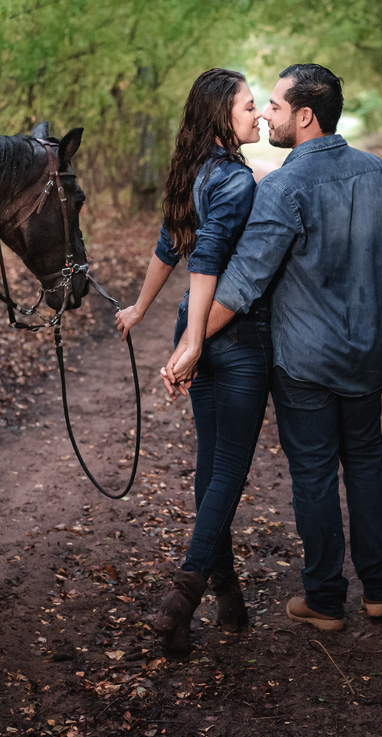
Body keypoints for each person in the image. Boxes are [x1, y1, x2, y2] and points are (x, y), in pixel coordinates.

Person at [165, 63, 382, 631]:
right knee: (368, 462)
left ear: (305, 116)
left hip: (304, 363)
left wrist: (190, 342)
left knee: (313, 473)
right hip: (367, 355)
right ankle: (379, 591)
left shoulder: (282, 187)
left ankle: (326, 600)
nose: (266, 116)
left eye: (275, 107)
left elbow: (243, 282)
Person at [114, 68, 270, 654]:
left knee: (212, 465)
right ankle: (184, 594)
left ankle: (226, 588)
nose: (257, 115)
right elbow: (201, 259)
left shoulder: (196, 171)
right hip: (235, 335)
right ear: (221, 117)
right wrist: (197, 341)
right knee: (227, 469)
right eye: (249, 107)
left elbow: (166, 242)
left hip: (198, 323)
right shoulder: (235, 181)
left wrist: (143, 308)